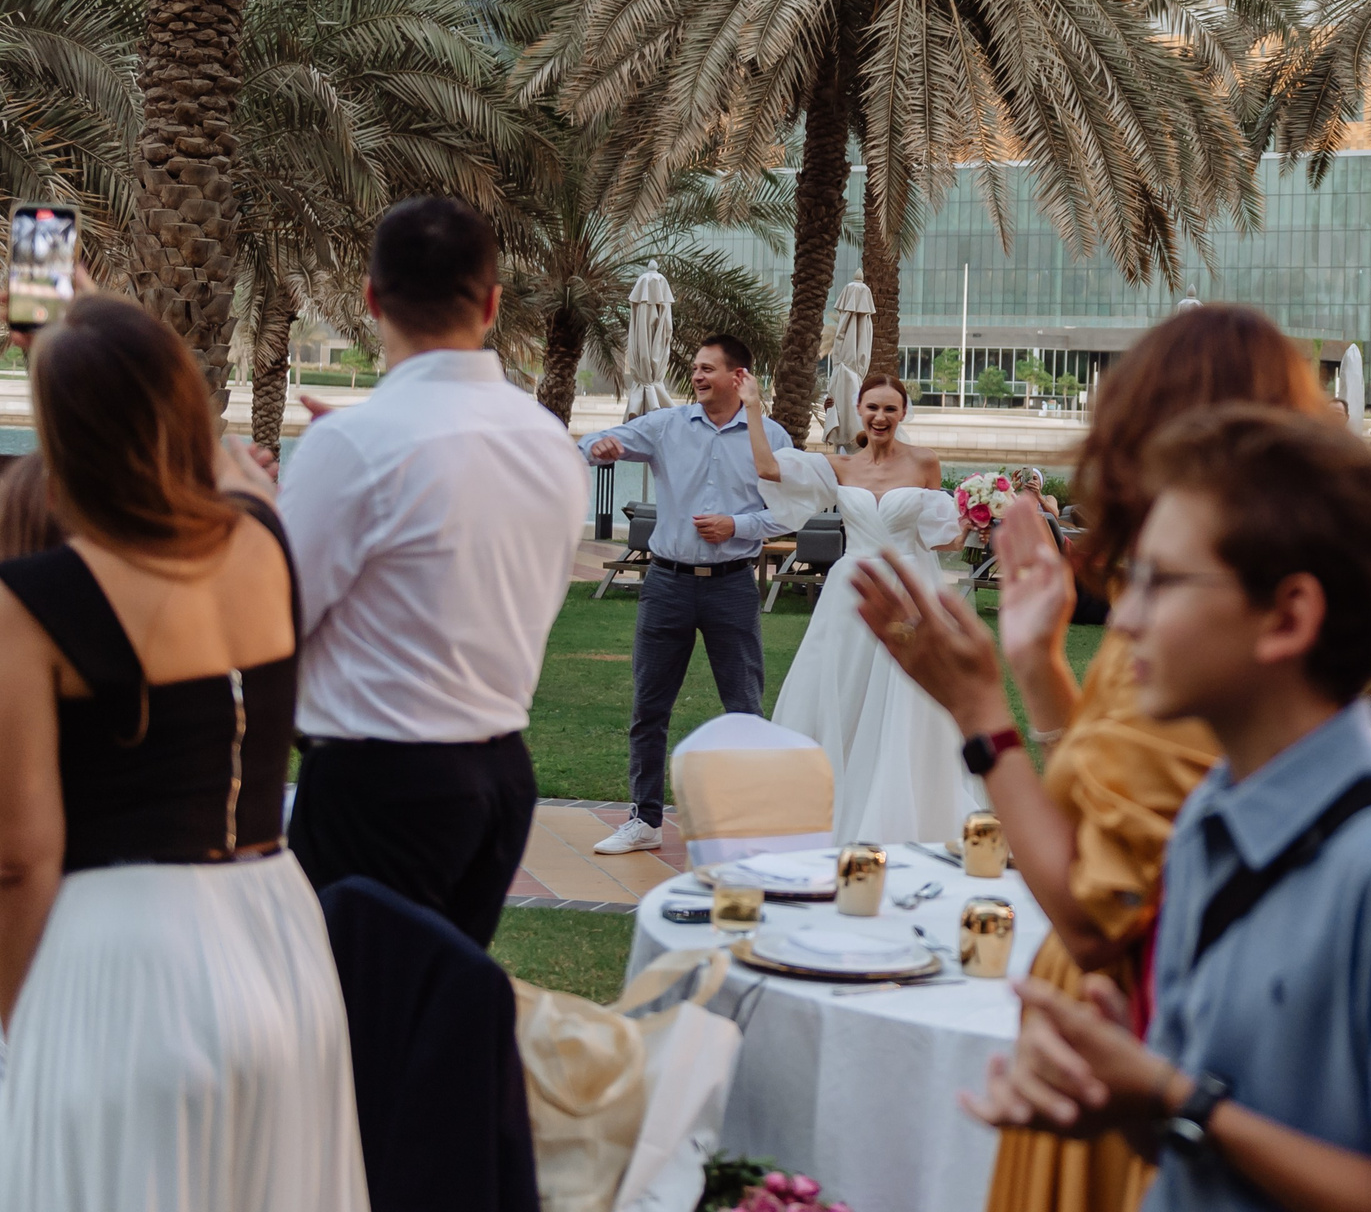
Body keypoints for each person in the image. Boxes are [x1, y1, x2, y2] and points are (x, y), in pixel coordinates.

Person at [946, 404, 1371, 1212]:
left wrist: (1171, 1096)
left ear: (1288, 616)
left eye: (1160, 581)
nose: (1124, 616)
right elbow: (1188, 1132)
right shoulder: (1209, 816)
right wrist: (1122, 1095)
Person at [850, 303, 1326, 1212]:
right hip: (1109, 1019)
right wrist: (1035, 665)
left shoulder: (1214, 626)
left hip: (1133, 1035)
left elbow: (1098, 909)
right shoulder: (1182, 593)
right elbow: (1103, 786)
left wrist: (978, 711)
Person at [0, 295, 369, 1210]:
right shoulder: (262, 538)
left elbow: (20, 857)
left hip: (122, 964)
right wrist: (72, 323)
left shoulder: (31, 601)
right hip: (280, 940)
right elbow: (222, 462)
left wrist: (13, 1016)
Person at [280, 198, 589, 946]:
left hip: (380, 788)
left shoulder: (355, 446)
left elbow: (271, 616)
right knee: (432, 1025)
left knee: (354, 1034)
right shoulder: (548, 441)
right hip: (502, 780)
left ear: (370, 299)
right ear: (491, 303)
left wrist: (257, 511)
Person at [579, 334, 798, 854]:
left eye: (707, 369)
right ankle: (644, 819)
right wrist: (600, 447)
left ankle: (750, 823)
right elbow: (593, 444)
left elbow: (790, 512)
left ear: (739, 377)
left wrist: (738, 526)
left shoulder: (772, 437)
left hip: (732, 588)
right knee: (649, 706)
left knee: (743, 707)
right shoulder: (666, 425)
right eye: (695, 369)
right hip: (666, 585)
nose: (697, 376)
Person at [763, 373, 976, 844]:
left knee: (905, 692)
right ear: (859, 411)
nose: (881, 417)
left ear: (903, 414)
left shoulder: (925, 462)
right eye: (872, 408)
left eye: (890, 409)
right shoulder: (839, 467)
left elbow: (941, 539)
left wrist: (974, 516)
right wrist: (753, 404)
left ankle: (900, 802)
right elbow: (768, 470)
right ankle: (830, 800)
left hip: (909, 589)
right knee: (840, 688)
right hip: (852, 590)